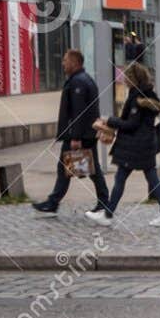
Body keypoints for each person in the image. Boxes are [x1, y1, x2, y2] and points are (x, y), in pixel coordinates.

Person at [86, 61, 160, 228]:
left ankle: (108, 215)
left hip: (135, 146)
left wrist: (110, 120)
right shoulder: (146, 95)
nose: (123, 79)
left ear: (133, 79)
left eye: (126, 77)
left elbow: (131, 124)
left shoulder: (136, 99)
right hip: (145, 145)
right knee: (151, 179)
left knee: (121, 179)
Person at [33, 48, 108, 217]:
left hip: (80, 136)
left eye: (65, 60)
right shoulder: (81, 79)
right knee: (73, 169)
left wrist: (75, 137)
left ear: (74, 63)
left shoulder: (78, 82)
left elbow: (79, 112)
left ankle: (103, 203)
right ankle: (53, 203)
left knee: (89, 170)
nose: (63, 63)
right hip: (84, 134)